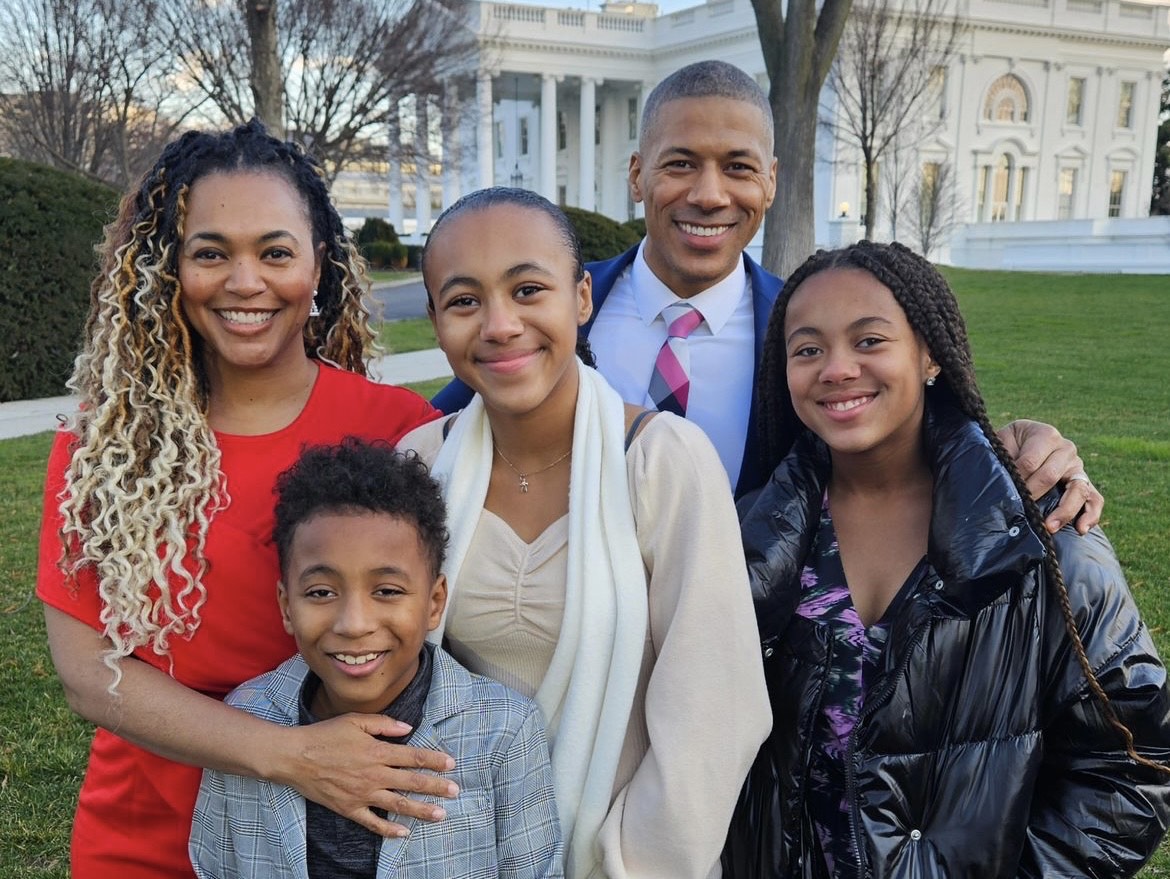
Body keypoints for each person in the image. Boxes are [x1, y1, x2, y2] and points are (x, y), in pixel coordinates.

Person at [36, 120, 457, 879]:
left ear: (319, 265)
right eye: (210, 253)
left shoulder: (401, 433)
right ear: (169, 269)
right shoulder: (102, 446)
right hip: (144, 840)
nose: (244, 281)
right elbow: (87, 670)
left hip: (340, 840)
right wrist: (287, 755)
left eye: (274, 251)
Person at [432, 61, 1101, 532]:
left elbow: (903, 437)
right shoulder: (549, 315)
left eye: (738, 167)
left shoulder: (806, 337)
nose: (710, 194)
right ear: (638, 174)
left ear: (772, 182)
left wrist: (1025, 446)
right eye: (681, 163)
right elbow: (435, 433)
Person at [723, 240, 1170, 878]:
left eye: (870, 340)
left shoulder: (1038, 528)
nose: (837, 368)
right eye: (808, 349)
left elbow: (1132, 761)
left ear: (930, 353)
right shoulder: (748, 532)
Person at [397, 186, 772, 879]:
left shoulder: (664, 462)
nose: (500, 324)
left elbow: (716, 716)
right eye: (464, 300)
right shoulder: (420, 465)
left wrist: (627, 866)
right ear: (435, 319)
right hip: (452, 854)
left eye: (528, 289)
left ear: (581, 299)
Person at [190, 438, 563, 879]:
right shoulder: (247, 720)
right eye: (321, 593)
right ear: (287, 606)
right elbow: (216, 866)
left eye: (386, 591)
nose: (353, 623)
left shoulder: (503, 731)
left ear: (434, 602)